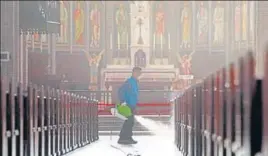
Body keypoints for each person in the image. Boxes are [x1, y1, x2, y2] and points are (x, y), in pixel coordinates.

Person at [117, 67, 142, 144]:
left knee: (129, 121)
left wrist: (136, 104)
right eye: (138, 72)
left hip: (132, 104)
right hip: (128, 105)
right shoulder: (129, 81)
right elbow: (121, 90)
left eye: (140, 73)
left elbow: (134, 94)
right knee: (129, 121)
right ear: (134, 72)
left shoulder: (135, 82)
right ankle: (125, 138)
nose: (139, 74)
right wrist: (123, 101)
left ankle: (124, 137)